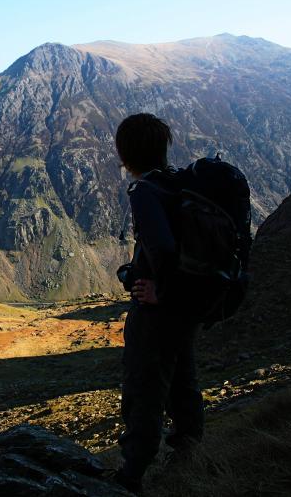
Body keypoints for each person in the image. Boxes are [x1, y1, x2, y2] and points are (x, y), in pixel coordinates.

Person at [112, 113, 204, 493]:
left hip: (158, 312)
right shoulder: (177, 183)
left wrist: (159, 292)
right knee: (183, 378)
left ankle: (131, 475)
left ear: (126, 153)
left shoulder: (145, 192)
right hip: (186, 307)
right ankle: (189, 454)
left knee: (145, 386)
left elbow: (162, 248)